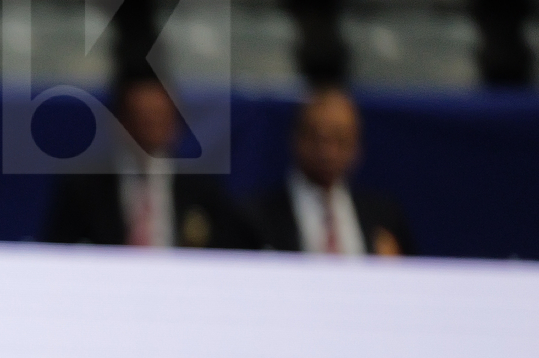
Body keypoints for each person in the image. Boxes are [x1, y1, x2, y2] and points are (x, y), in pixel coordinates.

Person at [40, 71, 252, 249]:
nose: (152, 130)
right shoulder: (84, 186)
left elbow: (226, 251)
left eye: (160, 119)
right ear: (122, 122)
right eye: (143, 119)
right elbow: (59, 250)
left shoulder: (202, 187)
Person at [249, 86, 414, 256]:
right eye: (317, 138)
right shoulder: (255, 220)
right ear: (295, 138)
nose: (327, 152)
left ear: (357, 146)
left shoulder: (384, 218)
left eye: (340, 139)